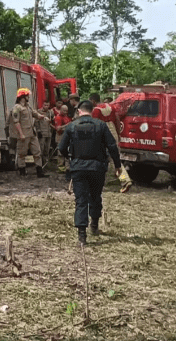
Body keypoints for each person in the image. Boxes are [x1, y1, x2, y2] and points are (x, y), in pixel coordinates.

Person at [57, 100, 123, 245]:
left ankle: (82, 235)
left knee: (81, 200)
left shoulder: (72, 126)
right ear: (92, 111)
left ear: (79, 111)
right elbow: (112, 146)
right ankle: (94, 225)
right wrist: (118, 166)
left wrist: (71, 158)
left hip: (78, 168)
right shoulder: (101, 125)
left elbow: (61, 148)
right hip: (97, 168)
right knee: (95, 196)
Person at [89, 93, 133, 193]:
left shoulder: (96, 110)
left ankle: (124, 180)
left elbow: (95, 125)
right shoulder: (111, 107)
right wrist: (118, 134)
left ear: (93, 101)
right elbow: (117, 120)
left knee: (109, 160)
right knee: (114, 158)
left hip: (103, 136)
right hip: (113, 133)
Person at [12, 88, 50, 178]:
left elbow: (35, 114)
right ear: (22, 97)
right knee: (22, 153)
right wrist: (21, 134)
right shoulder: (17, 108)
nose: (28, 97)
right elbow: (16, 122)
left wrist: (43, 117)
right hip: (24, 134)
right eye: (27, 96)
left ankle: (39, 172)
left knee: (37, 152)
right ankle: (22, 172)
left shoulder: (28, 106)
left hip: (32, 133)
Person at [36, 100, 54, 175]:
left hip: (48, 133)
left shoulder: (50, 112)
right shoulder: (38, 112)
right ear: (42, 105)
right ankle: (40, 165)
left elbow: (52, 121)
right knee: (41, 150)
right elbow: (36, 122)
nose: (46, 107)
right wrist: (38, 131)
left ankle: (46, 165)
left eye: (47, 105)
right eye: (45, 105)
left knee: (47, 149)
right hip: (42, 133)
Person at [54, 105, 71, 172]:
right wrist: (67, 125)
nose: (65, 112)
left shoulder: (66, 117)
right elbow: (58, 129)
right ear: (60, 110)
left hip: (66, 136)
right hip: (60, 136)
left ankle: (67, 168)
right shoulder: (58, 117)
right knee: (60, 152)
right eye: (64, 110)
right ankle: (60, 168)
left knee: (67, 151)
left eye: (66, 111)